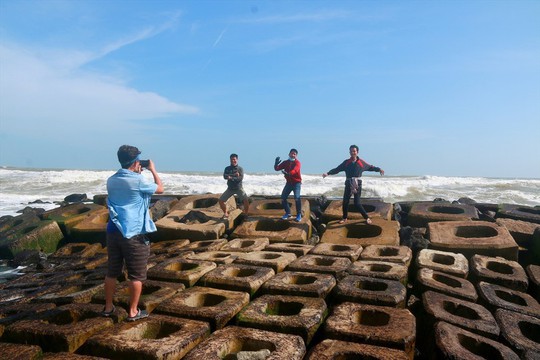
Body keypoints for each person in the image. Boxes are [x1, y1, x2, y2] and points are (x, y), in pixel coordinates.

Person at [102, 145, 163, 321]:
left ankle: (108, 307)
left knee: (112, 271)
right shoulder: (138, 181)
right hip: (133, 233)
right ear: (136, 161)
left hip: (113, 230)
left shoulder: (111, 180)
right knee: (136, 275)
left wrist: (136, 172)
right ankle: (133, 311)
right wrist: (152, 169)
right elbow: (160, 189)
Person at [322, 145, 384, 224]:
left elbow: (370, 167)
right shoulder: (346, 162)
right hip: (348, 183)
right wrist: (328, 173)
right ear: (349, 152)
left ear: (357, 152)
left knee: (357, 203)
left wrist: (379, 169)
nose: (353, 153)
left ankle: (367, 218)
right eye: (351, 151)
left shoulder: (361, 163)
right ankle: (344, 218)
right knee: (345, 202)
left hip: (357, 184)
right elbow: (337, 169)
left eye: (354, 151)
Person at [274, 148, 302, 221]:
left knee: (297, 197)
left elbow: (295, 170)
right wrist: (276, 163)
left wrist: (289, 173)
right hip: (289, 183)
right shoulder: (285, 162)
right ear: (289, 154)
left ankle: (299, 214)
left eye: (294, 154)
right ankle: (288, 213)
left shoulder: (297, 163)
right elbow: (277, 168)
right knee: (283, 198)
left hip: (296, 183)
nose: (293, 155)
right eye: (292, 153)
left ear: (296, 156)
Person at [219, 153, 250, 218]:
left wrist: (231, 177)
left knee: (246, 200)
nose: (233, 161)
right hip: (230, 189)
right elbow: (225, 176)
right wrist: (234, 175)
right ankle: (225, 213)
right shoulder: (227, 168)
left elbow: (240, 178)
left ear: (237, 159)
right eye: (232, 159)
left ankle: (246, 214)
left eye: (234, 159)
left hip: (238, 188)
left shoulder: (240, 169)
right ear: (230, 160)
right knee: (221, 201)